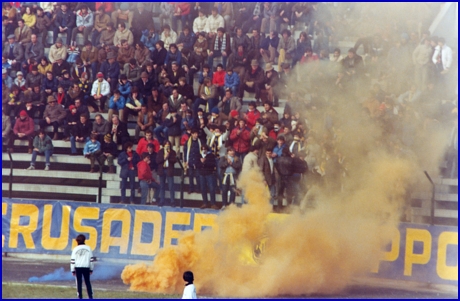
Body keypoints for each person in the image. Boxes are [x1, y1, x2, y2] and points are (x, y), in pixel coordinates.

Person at [70, 234, 94, 300]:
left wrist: (72, 270)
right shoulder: (88, 248)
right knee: (88, 282)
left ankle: (80, 297)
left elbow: (72, 261)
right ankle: (90, 296)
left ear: (77, 241)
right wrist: (91, 269)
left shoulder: (75, 249)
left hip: (78, 268)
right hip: (86, 267)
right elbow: (91, 260)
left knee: (79, 283)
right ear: (84, 240)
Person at [156, 140, 177, 207]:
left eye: (168, 144)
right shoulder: (160, 152)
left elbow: (174, 160)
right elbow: (157, 161)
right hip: (162, 170)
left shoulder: (173, 152)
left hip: (169, 170)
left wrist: (168, 157)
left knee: (171, 186)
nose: (167, 145)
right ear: (164, 145)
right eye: (166, 144)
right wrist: (164, 158)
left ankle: (172, 201)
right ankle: (162, 201)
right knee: (162, 186)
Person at [198, 144, 218, 209]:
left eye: (205, 149)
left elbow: (213, 164)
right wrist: (201, 163)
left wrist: (205, 162)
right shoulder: (199, 156)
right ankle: (205, 203)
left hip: (209, 174)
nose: (204, 151)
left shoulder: (211, 156)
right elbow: (196, 164)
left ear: (207, 150)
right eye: (202, 149)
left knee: (212, 189)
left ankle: (213, 203)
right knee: (203, 189)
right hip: (202, 174)